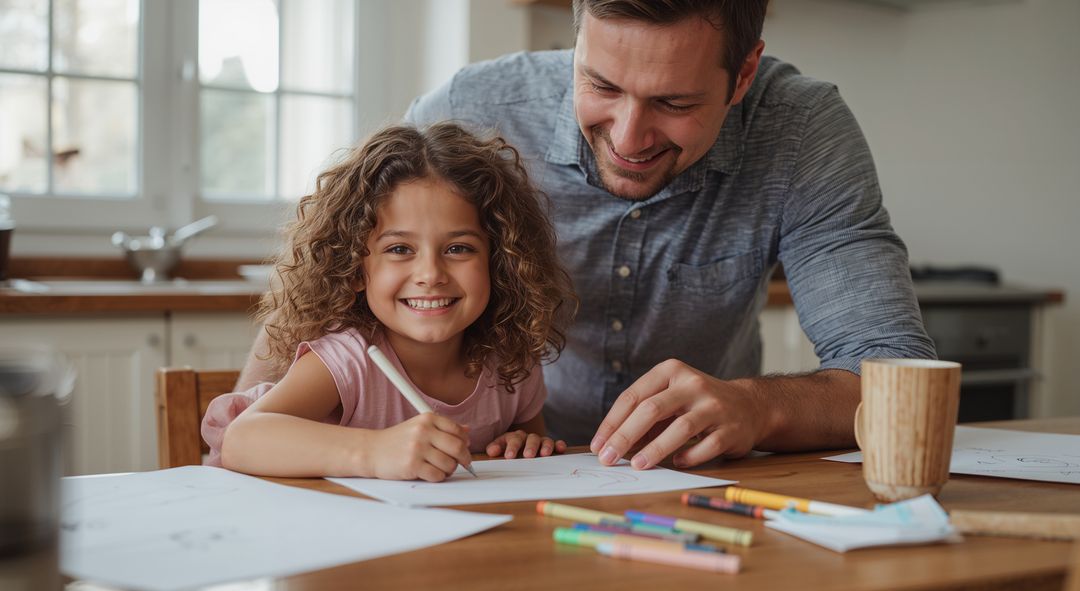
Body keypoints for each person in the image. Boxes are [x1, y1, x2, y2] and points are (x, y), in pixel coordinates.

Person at [236, 0, 936, 471]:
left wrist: (758, 406)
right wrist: (237, 453)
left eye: (674, 102)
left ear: (743, 74)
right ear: (576, 42)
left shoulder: (802, 132)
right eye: (601, 85)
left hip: (692, 486)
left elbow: (897, 378)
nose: (629, 138)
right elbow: (317, 289)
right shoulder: (471, 109)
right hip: (505, 488)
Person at [206, 122, 575, 481]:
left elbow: (526, 444)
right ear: (354, 269)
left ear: (500, 263)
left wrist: (521, 444)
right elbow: (241, 440)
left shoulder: (511, 362)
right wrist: (374, 451)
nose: (430, 274)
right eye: (399, 249)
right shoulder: (346, 360)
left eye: (458, 248)